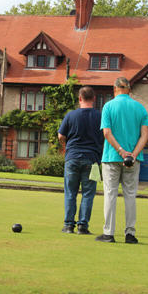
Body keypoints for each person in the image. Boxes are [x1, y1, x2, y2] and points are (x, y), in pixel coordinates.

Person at [96, 77, 148, 244]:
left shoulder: (108, 106)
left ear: (114, 89)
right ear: (129, 89)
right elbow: (145, 135)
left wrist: (120, 151)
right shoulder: (140, 108)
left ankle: (108, 233)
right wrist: (132, 154)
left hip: (112, 156)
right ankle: (130, 234)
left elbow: (107, 133)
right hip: (133, 159)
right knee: (130, 195)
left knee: (110, 194)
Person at [58, 86, 104, 234]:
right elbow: (106, 134)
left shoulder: (70, 115)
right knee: (88, 193)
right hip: (92, 160)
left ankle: (68, 225)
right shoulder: (100, 116)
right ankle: (83, 226)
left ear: (79, 98)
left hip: (72, 157)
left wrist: (67, 144)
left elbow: (60, 136)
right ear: (94, 99)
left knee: (70, 192)